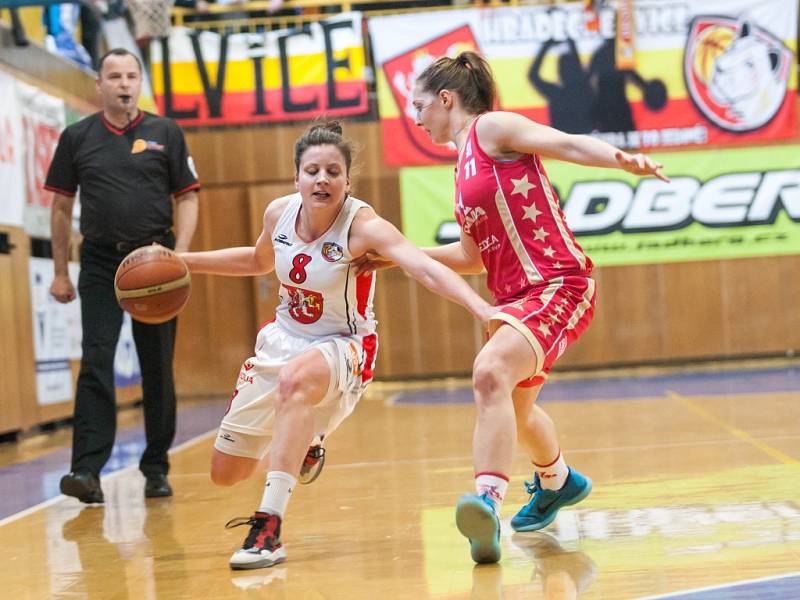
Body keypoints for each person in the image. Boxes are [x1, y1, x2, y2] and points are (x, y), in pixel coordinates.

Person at [356, 51, 667, 564]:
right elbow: (471, 258)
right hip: (517, 300)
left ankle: (486, 504)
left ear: (446, 99)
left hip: (559, 284)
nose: (415, 116)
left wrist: (621, 159)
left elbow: (566, 142)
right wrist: (398, 256)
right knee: (516, 412)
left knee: (490, 371)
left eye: (419, 105)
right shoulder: (461, 170)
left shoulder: (491, 128)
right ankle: (558, 480)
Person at [179, 121, 495, 571]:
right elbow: (256, 260)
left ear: (347, 181)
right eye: (312, 171)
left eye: (333, 171)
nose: (322, 179)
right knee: (226, 473)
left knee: (295, 383)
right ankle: (306, 440)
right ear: (297, 178)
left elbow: (424, 268)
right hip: (282, 340)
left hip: (346, 344)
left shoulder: (364, 226)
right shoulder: (278, 215)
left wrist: (481, 310)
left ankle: (268, 527)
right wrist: (182, 261)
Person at [45, 48, 200, 504]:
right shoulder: (76, 137)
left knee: (157, 366)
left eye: (131, 75)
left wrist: (182, 255)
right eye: (114, 76)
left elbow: (187, 196)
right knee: (95, 361)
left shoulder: (165, 132)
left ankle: (156, 468)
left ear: (139, 82)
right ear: (100, 85)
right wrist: (59, 272)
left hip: (156, 262)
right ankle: (86, 472)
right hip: (98, 263)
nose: (124, 83)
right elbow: (59, 206)